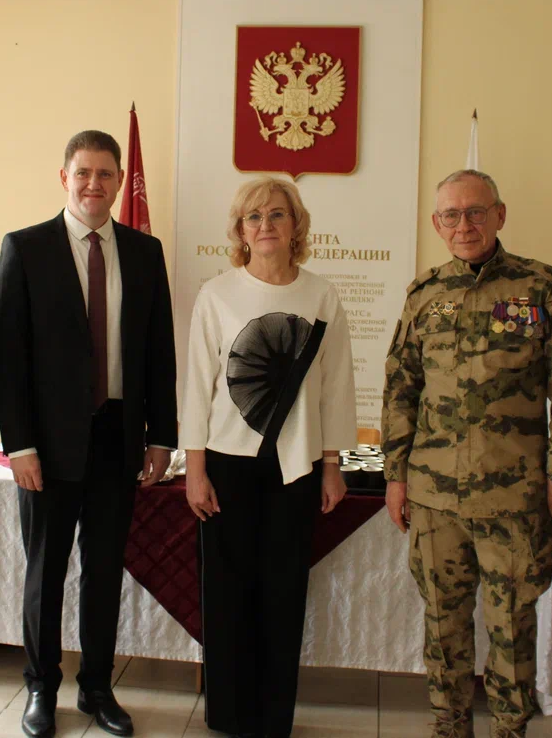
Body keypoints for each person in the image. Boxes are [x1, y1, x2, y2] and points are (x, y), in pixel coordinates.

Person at [381, 169, 552, 738]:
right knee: (443, 625)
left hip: (513, 498)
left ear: (499, 215)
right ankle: (449, 726)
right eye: (451, 215)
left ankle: (509, 729)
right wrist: (395, 476)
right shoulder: (424, 294)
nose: (465, 225)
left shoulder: (540, 286)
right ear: (437, 224)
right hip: (435, 499)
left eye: (476, 212)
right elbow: (401, 387)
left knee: (512, 628)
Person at [0, 129, 177, 738]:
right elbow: (8, 359)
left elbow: (159, 351)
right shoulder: (25, 248)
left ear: (119, 181)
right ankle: (41, 688)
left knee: (104, 572)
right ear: (64, 178)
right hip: (46, 446)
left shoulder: (144, 252)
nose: (94, 184)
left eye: (105, 174)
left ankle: (97, 687)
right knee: (45, 572)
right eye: (83, 173)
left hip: (118, 438)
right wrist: (19, 446)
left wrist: (161, 435)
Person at [180, 177, 356, 738]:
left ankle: (273, 717)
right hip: (227, 464)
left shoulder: (322, 296)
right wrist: (195, 470)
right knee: (227, 595)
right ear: (240, 230)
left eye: (277, 214)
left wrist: (332, 464)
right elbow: (198, 387)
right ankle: (229, 715)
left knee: (283, 595)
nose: (265, 226)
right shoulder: (217, 295)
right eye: (253, 217)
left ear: (295, 224)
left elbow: (335, 387)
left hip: (296, 466)